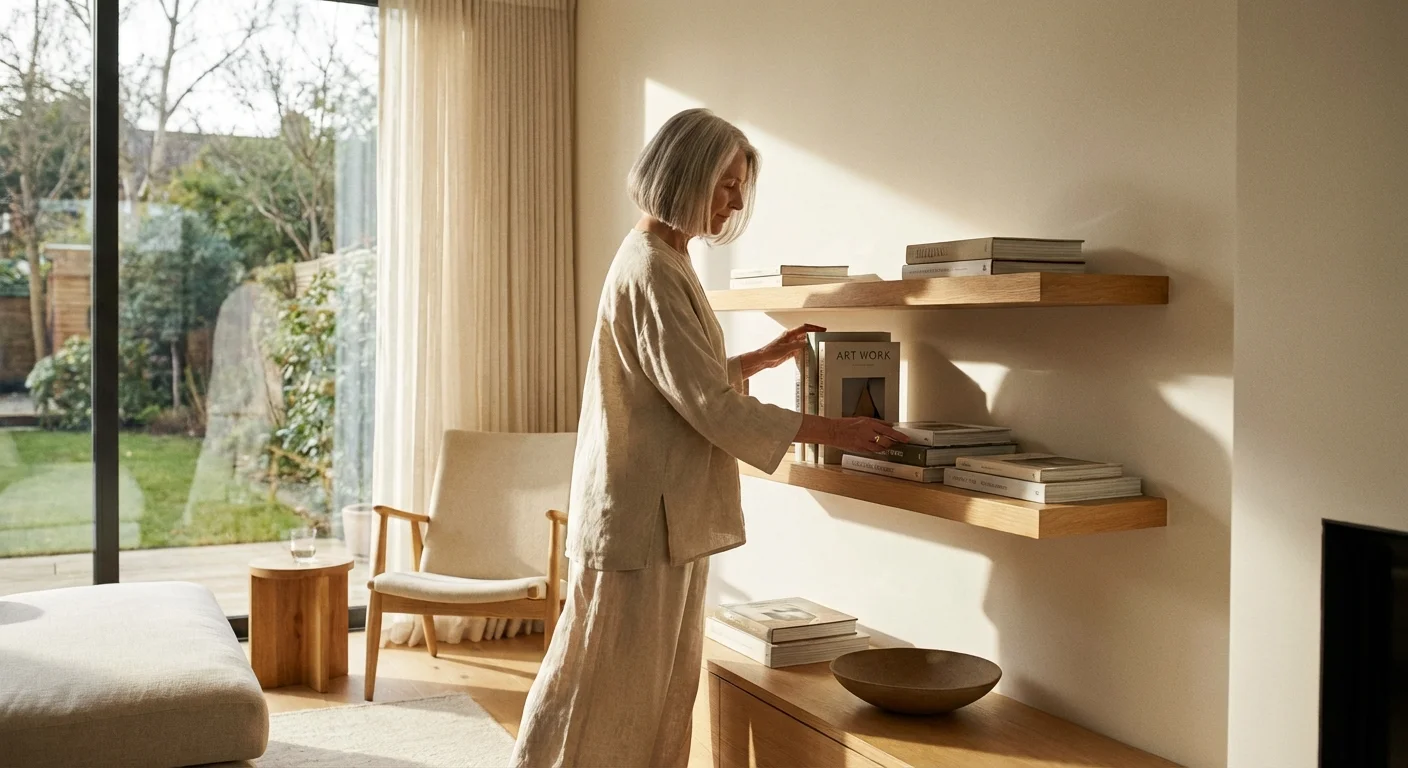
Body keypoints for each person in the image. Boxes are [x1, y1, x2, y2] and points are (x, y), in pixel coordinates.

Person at [510, 107, 908, 768]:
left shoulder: (667, 257)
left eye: (739, 187)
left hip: (659, 512)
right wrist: (838, 430)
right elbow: (705, 405)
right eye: (726, 184)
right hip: (641, 517)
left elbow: (670, 379)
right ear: (686, 174)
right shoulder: (652, 269)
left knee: (652, 687)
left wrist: (755, 361)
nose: (735, 201)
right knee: (605, 689)